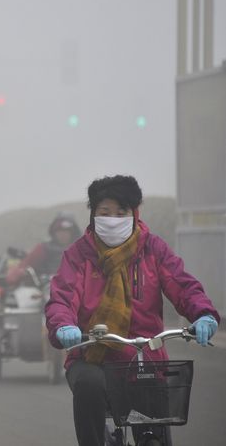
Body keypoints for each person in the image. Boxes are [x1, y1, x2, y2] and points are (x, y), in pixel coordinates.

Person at [45, 175, 220, 446]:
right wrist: (63, 326)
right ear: (93, 215)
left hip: (145, 355)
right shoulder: (78, 255)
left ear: (134, 213)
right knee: (88, 385)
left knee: (157, 428)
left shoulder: (153, 250)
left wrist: (203, 314)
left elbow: (182, 285)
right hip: (92, 356)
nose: (113, 219)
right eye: (104, 212)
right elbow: (62, 298)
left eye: (121, 212)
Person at [6, 212, 81, 286]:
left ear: (73, 232)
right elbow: (24, 265)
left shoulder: (82, 250)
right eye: (59, 231)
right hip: (47, 290)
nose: (63, 234)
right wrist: (16, 274)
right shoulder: (43, 248)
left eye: (66, 231)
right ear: (54, 232)